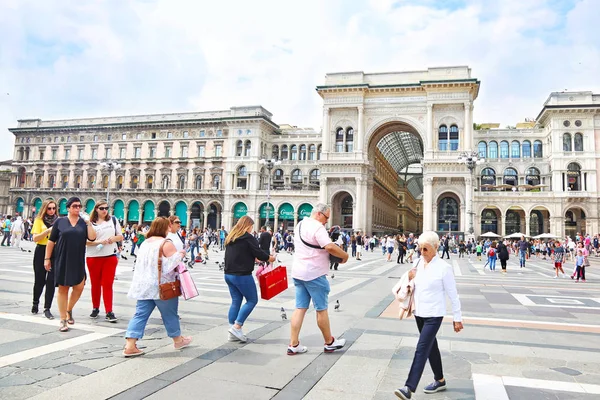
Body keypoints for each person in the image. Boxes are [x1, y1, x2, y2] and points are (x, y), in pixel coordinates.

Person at [394, 231, 463, 399]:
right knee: (431, 347)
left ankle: (408, 387)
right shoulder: (417, 263)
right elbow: (410, 285)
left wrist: (457, 317)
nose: (422, 252)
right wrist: (409, 278)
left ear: (436, 248)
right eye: (420, 248)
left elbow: (453, 295)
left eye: (426, 249)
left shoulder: (444, 268)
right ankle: (440, 380)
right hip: (419, 312)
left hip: (434, 314)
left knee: (422, 347)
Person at [124, 217, 192, 357]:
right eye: (168, 226)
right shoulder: (166, 243)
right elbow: (171, 265)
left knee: (140, 314)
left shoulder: (145, 243)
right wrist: (181, 254)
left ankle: (130, 345)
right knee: (170, 314)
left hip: (144, 286)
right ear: (164, 228)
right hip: (162, 286)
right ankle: (178, 340)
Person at [288, 203, 349, 355]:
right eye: (326, 217)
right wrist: (344, 255)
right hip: (314, 274)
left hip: (299, 272)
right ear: (319, 214)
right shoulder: (317, 227)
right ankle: (329, 342)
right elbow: (329, 246)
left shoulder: (300, 224)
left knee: (300, 308)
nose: (327, 221)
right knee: (321, 309)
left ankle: (293, 344)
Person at [44, 197, 97, 332]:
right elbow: (51, 241)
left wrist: (88, 223)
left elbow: (92, 237)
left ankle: (68, 309)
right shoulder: (60, 222)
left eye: (79, 206)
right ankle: (63, 319)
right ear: (68, 208)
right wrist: (47, 258)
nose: (77, 208)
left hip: (78, 258)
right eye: (74, 206)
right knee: (63, 288)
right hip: (62, 257)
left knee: (79, 286)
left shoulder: (83, 223)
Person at [223, 216, 275, 342]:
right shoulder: (248, 237)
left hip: (228, 274)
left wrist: (252, 258)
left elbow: (240, 253)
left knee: (236, 301)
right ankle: (237, 326)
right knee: (252, 300)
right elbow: (258, 253)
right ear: (247, 226)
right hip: (241, 275)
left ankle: (233, 331)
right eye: (251, 226)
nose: (252, 229)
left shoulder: (231, 236)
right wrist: (269, 258)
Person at [86, 201, 123, 323]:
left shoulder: (113, 220)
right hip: (93, 257)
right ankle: (95, 308)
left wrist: (114, 239)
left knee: (108, 284)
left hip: (110, 256)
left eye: (106, 208)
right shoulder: (89, 223)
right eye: (101, 208)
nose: (104, 210)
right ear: (96, 209)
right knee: (95, 284)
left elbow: (120, 236)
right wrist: (99, 242)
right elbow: (86, 241)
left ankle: (109, 311)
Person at [31, 200, 58, 319]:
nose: (52, 211)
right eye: (49, 208)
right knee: (40, 280)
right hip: (41, 251)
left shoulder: (59, 221)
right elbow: (35, 238)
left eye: (53, 208)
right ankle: (35, 303)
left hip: (54, 252)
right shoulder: (38, 220)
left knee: (51, 281)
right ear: (44, 209)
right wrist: (47, 231)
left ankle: (47, 308)